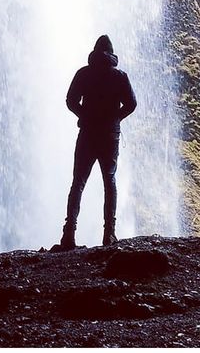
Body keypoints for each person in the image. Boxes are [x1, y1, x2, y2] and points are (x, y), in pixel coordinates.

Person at [58, 35, 137, 249]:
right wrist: (115, 118)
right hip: (110, 135)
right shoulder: (120, 76)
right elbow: (132, 104)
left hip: (87, 132)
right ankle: (109, 233)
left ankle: (68, 234)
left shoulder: (84, 73)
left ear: (94, 52)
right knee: (109, 181)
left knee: (78, 182)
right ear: (111, 54)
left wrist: (83, 114)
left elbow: (70, 100)